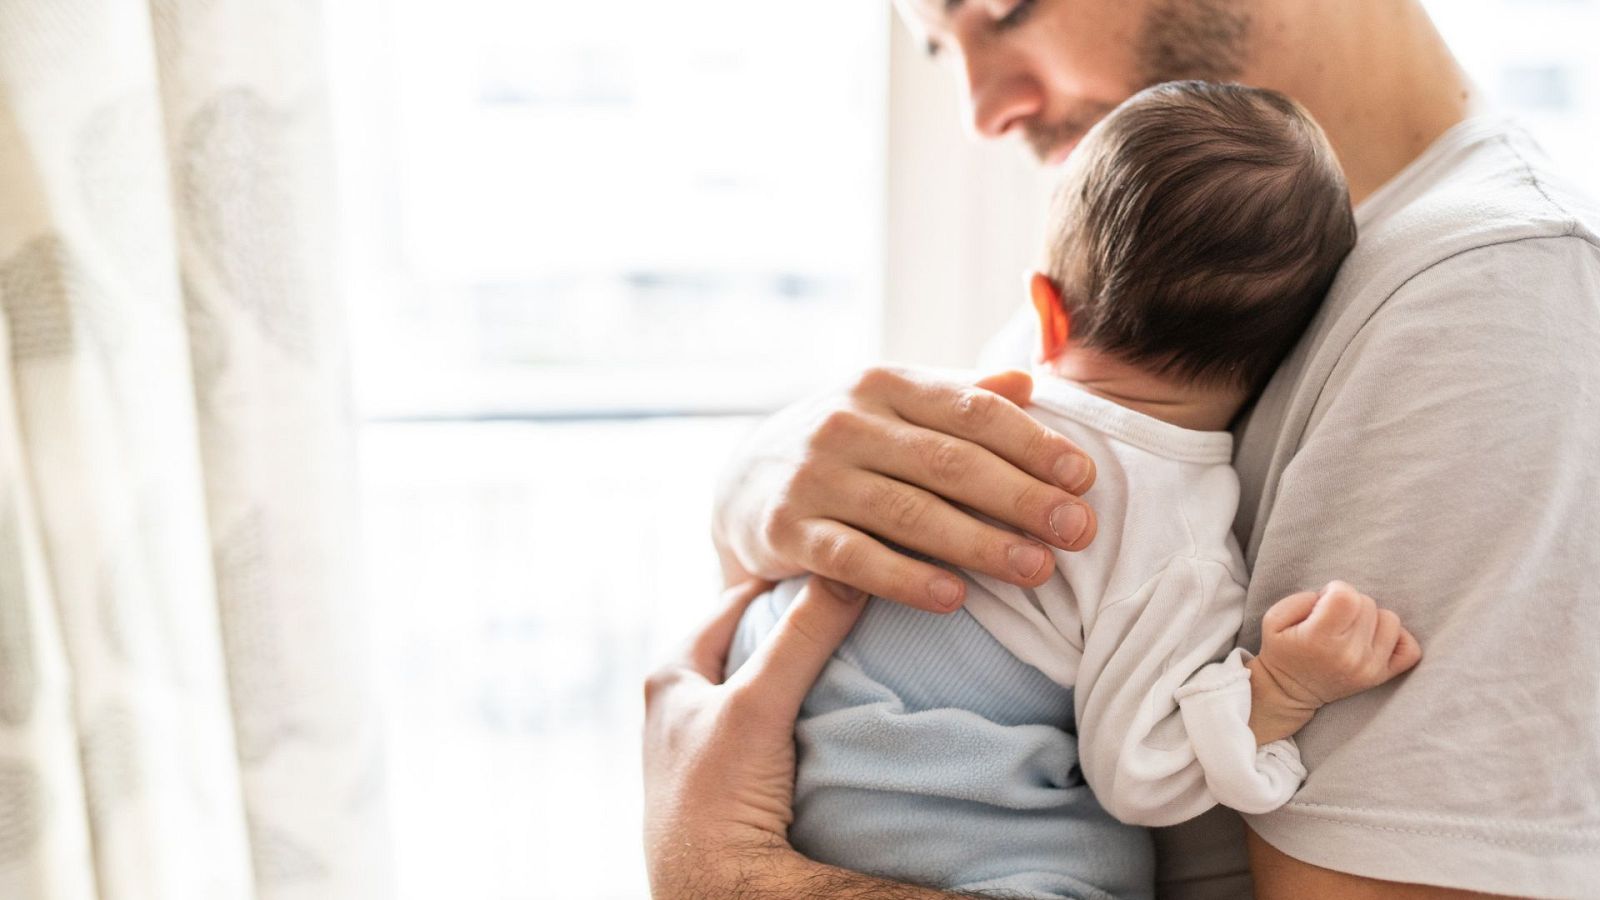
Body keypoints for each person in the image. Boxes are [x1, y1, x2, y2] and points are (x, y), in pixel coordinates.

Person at [644, 1, 1600, 897]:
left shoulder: (1491, 302)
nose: (981, 110)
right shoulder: (1160, 264)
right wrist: (757, 486)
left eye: (1008, 8)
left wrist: (729, 872)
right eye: (941, 46)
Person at [720, 81, 1420, 899]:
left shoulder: (951, 418)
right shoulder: (1175, 542)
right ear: (1283, 357)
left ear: (1046, 311)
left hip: (778, 758)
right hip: (937, 835)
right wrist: (1281, 691)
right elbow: (1144, 774)